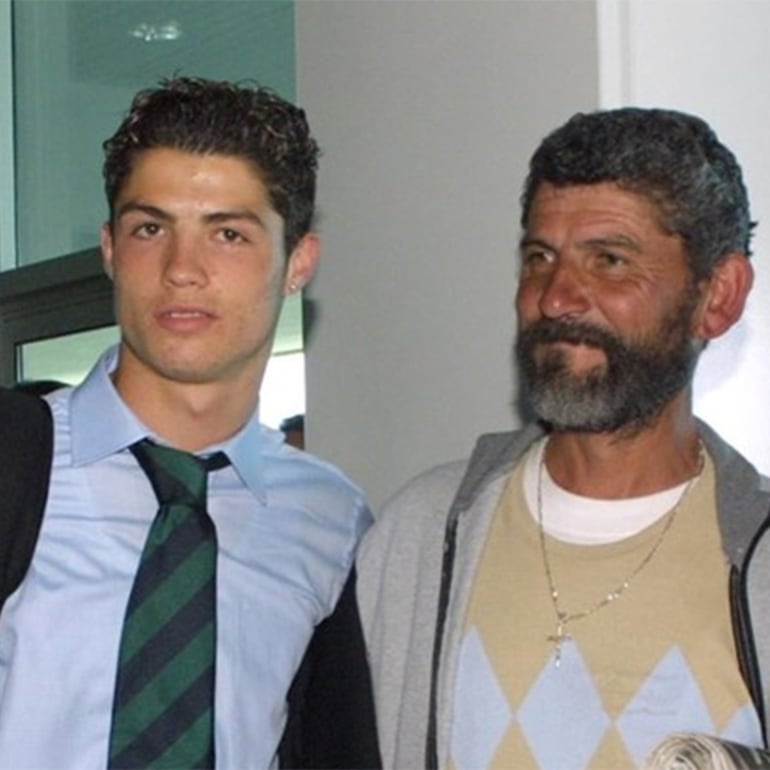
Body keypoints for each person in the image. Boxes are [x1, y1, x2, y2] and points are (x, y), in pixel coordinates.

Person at [357, 107, 770, 770]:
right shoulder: (418, 537)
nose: (556, 298)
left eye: (609, 260)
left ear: (718, 295)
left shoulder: (758, 564)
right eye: (539, 258)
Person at [0, 77, 380, 769]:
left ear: (298, 261)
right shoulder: (15, 465)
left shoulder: (331, 521)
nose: (182, 270)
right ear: (111, 248)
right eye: (151, 228)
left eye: (228, 234)